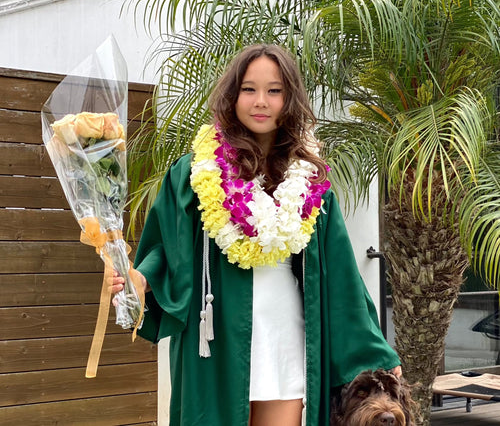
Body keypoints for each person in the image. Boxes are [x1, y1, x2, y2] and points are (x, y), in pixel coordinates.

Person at [111, 44, 401, 426]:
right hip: (216, 339)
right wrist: (141, 277)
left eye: (274, 90)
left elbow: (343, 279)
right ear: (232, 96)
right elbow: (167, 245)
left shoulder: (312, 185)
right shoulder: (194, 174)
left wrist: (377, 356)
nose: (260, 101)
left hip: (286, 336)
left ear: (290, 98)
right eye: (249, 89)